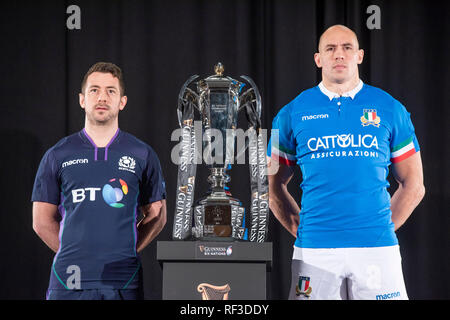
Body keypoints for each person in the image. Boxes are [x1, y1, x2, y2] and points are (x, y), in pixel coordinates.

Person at [267, 25, 425, 300]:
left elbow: (415, 184)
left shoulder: (390, 108)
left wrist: (380, 227)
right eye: (330, 49)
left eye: (347, 48)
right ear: (318, 59)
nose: (339, 55)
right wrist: (299, 226)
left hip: (377, 251)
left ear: (360, 56)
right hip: (315, 252)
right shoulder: (291, 113)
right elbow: (270, 185)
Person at [31, 62, 167, 300]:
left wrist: (127, 250)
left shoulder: (142, 154)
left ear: (122, 102)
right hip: (68, 280)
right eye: (94, 90)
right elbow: (41, 221)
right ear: (82, 99)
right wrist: (75, 254)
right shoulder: (58, 154)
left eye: (110, 91)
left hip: (123, 280)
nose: (102, 97)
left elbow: (157, 213)